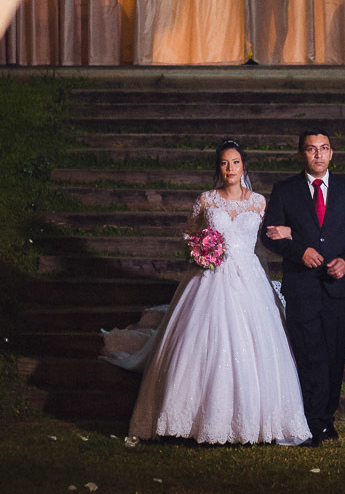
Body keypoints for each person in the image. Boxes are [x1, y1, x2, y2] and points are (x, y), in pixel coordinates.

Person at [103, 140, 311, 445]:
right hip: (211, 276)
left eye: (236, 162)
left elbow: (272, 234)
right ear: (219, 168)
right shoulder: (206, 200)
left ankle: (254, 422)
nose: (230, 168)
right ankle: (192, 420)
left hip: (249, 277)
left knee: (256, 345)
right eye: (225, 163)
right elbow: (189, 233)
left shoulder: (258, 202)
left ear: (244, 166)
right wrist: (200, 250)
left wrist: (292, 232)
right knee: (201, 340)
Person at [260, 129, 345, 446]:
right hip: (302, 289)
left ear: (332, 153)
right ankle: (311, 422)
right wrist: (299, 250)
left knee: (336, 354)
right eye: (311, 149)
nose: (318, 154)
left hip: (338, 288)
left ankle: (327, 419)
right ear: (301, 155)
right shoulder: (286, 190)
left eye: (324, 148)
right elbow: (269, 235)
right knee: (310, 357)